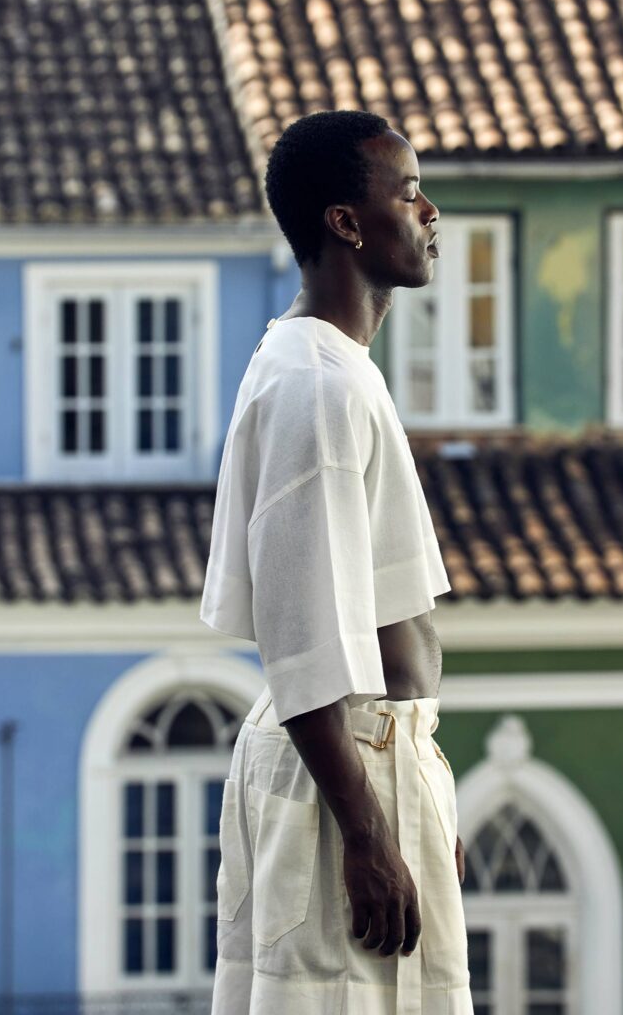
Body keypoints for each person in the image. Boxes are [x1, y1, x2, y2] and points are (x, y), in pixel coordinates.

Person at [199, 109, 471, 1014]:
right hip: (339, 779)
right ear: (346, 223)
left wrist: (419, 791)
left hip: (376, 765)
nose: (429, 210)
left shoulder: (332, 367)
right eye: (406, 193)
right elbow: (304, 636)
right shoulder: (315, 387)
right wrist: (367, 833)